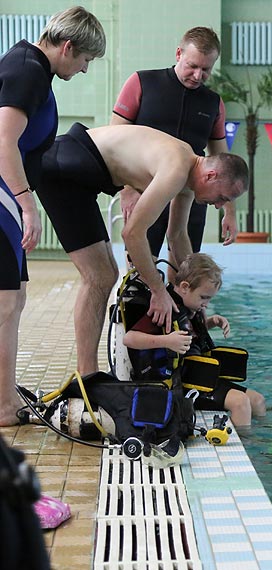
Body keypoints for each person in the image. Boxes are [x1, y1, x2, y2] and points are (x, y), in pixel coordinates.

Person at [35, 123, 248, 379]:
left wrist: (195, 287)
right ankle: (87, 377)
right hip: (65, 165)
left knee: (104, 275)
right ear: (211, 176)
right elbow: (133, 233)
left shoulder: (190, 173)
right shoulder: (176, 169)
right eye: (222, 197)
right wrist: (158, 290)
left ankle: (88, 374)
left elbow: (177, 234)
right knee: (99, 277)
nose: (218, 206)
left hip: (80, 169)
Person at [0, 6, 106, 426]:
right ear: (67, 47)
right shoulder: (27, 69)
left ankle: (5, 397)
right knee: (6, 302)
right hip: (5, 198)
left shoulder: (32, 69)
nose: (83, 69)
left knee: (13, 299)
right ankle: (3, 407)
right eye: (85, 60)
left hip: (7, 198)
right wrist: (28, 204)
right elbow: (4, 141)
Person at [111, 26, 236, 265]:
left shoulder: (213, 103)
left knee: (184, 275)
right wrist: (126, 190)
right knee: (139, 275)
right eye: (193, 66)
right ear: (179, 54)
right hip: (145, 190)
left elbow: (223, 163)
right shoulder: (142, 83)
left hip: (191, 195)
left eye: (206, 69)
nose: (198, 75)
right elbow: (115, 139)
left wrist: (229, 211)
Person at [123, 253, 266, 427]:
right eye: (204, 297)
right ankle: (245, 442)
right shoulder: (164, 308)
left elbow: (186, 332)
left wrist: (210, 323)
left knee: (257, 401)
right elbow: (129, 338)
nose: (206, 304)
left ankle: (259, 447)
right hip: (179, 384)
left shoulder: (188, 307)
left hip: (199, 376)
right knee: (240, 403)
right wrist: (166, 341)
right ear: (184, 287)